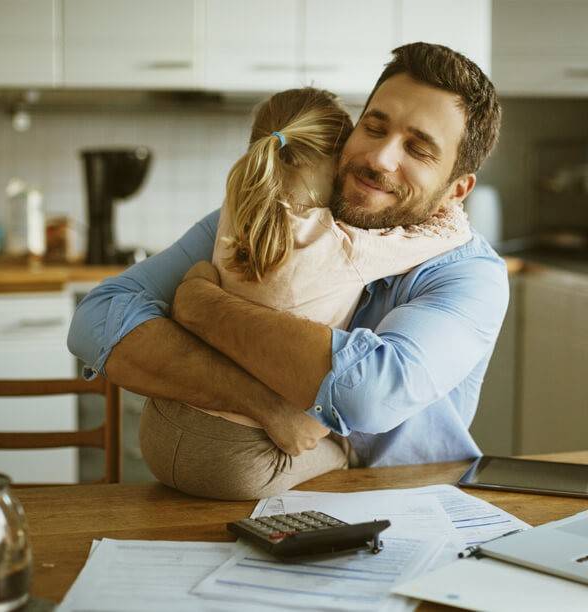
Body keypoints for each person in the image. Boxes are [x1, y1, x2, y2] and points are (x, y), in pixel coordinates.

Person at [67, 43, 507, 490]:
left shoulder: (471, 275)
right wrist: (263, 404)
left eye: (418, 149)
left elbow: (369, 394)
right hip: (257, 506)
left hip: (407, 506)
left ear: (457, 190)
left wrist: (202, 305)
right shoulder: (272, 215)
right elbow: (95, 321)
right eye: (374, 128)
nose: (380, 159)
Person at [136, 87, 471, 499]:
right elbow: (447, 232)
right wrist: (448, 196)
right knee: (343, 449)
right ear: (336, 160)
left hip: (159, 429)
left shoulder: (237, 208)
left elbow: (198, 274)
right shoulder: (345, 244)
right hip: (243, 458)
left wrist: (196, 292)